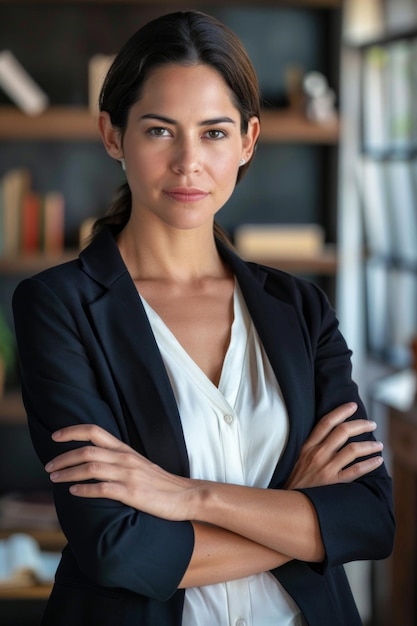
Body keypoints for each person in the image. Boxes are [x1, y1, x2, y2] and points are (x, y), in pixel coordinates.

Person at [12, 10, 394, 626]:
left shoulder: (299, 307)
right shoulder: (59, 306)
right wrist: (297, 514)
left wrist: (187, 497)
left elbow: (370, 520)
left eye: (214, 133)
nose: (189, 162)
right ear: (113, 135)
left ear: (248, 140)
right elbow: (119, 550)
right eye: (161, 131)